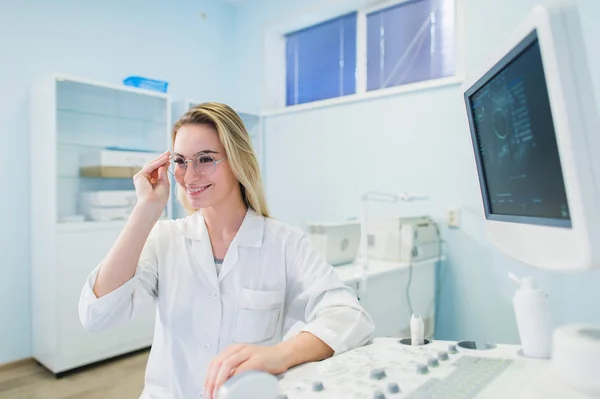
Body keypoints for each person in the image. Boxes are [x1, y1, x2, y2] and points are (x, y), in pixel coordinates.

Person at [78, 102, 375, 399]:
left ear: (237, 160)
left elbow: (350, 315)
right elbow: (97, 314)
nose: (189, 176)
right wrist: (145, 211)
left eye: (205, 159)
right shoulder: (165, 238)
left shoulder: (284, 242)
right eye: (180, 161)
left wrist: (281, 354)